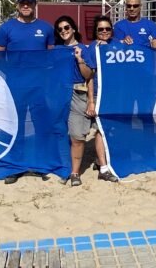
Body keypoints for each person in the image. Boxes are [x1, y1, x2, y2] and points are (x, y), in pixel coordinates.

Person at [0, 0, 54, 184]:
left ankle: (41, 164)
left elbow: (51, 57)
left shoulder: (46, 28)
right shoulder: (6, 28)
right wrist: (12, 71)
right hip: (15, 85)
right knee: (15, 125)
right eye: (23, 3)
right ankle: (14, 166)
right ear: (18, 5)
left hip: (39, 86)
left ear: (35, 4)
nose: (26, 6)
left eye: (29, 2)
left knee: (41, 125)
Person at [53, 16, 95, 187]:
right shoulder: (55, 50)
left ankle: (75, 172)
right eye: (60, 29)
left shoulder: (84, 49)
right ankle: (65, 168)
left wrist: (80, 59)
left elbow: (89, 76)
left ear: (73, 28)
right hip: (58, 93)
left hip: (78, 93)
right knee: (61, 134)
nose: (64, 31)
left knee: (77, 136)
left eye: (67, 27)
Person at [83, 15, 120, 183]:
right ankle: (103, 168)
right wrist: (91, 100)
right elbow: (90, 77)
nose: (104, 31)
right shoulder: (93, 48)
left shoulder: (117, 45)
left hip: (116, 93)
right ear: (96, 31)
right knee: (101, 129)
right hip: (100, 93)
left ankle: (100, 160)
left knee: (112, 129)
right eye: (101, 29)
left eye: (107, 28)